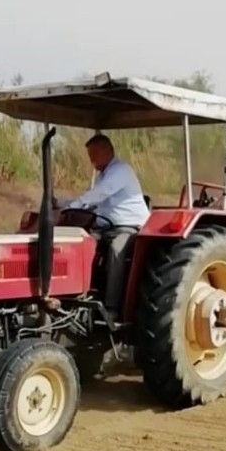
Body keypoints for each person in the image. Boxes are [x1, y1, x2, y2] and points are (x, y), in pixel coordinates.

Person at [53, 133, 150, 321]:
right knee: (81, 245)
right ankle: (79, 293)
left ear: (106, 151)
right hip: (105, 228)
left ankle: (112, 308)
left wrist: (70, 207)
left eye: (93, 157)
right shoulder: (103, 176)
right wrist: (61, 203)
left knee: (116, 249)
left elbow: (98, 195)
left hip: (129, 227)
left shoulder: (121, 171)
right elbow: (90, 200)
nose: (92, 162)